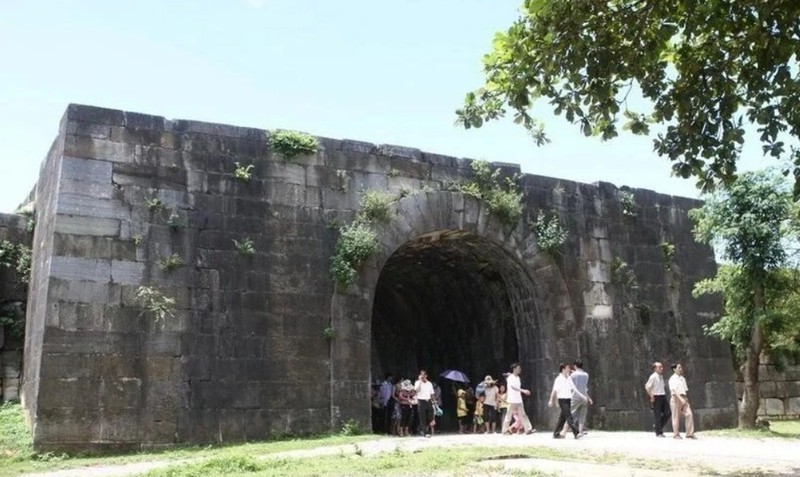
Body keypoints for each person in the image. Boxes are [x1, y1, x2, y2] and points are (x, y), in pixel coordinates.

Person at [549, 363, 585, 439]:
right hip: (562, 400)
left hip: (568, 399)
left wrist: (582, 396)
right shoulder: (558, 379)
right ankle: (576, 432)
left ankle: (556, 433)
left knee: (562, 418)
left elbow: (574, 389)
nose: (569, 369)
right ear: (563, 369)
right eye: (567, 368)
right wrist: (551, 400)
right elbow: (554, 391)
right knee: (569, 416)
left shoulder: (569, 378)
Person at [501, 363, 535, 435]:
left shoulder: (518, 378)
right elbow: (513, 387)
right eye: (518, 368)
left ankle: (528, 429)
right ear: (514, 369)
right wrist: (523, 391)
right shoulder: (510, 378)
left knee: (523, 415)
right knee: (509, 415)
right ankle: (505, 430)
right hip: (512, 400)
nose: (520, 369)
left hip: (518, 400)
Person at [668, 362, 696, 439]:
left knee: (689, 414)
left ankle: (689, 434)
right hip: (676, 398)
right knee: (676, 416)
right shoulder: (672, 379)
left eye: (681, 367)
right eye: (679, 368)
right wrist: (680, 398)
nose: (681, 369)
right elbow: (674, 390)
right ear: (674, 369)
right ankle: (676, 434)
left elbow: (685, 390)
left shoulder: (682, 379)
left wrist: (685, 399)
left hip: (684, 397)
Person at [644, 361, 671, 437]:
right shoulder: (653, 377)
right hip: (657, 396)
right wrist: (651, 396)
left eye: (662, 367)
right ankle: (658, 432)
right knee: (657, 414)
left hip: (663, 395)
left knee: (668, 413)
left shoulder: (661, 376)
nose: (662, 368)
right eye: (660, 367)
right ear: (655, 368)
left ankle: (657, 426)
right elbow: (647, 386)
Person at [568, 360, 592, 436]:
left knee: (569, 414)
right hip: (584, 397)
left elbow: (571, 385)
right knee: (582, 415)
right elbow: (585, 387)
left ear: (575, 366)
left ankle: (564, 431)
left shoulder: (573, 375)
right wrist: (589, 398)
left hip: (575, 397)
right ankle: (580, 431)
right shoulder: (586, 375)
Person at [414, 369, 436, 437]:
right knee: (422, 417)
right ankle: (425, 432)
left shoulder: (429, 383)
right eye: (422, 375)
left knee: (430, 415)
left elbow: (432, 393)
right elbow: (416, 390)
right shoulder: (417, 382)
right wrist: (420, 382)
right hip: (421, 400)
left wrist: (434, 401)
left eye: (424, 375)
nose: (423, 376)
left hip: (428, 400)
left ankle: (426, 429)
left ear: (426, 375)